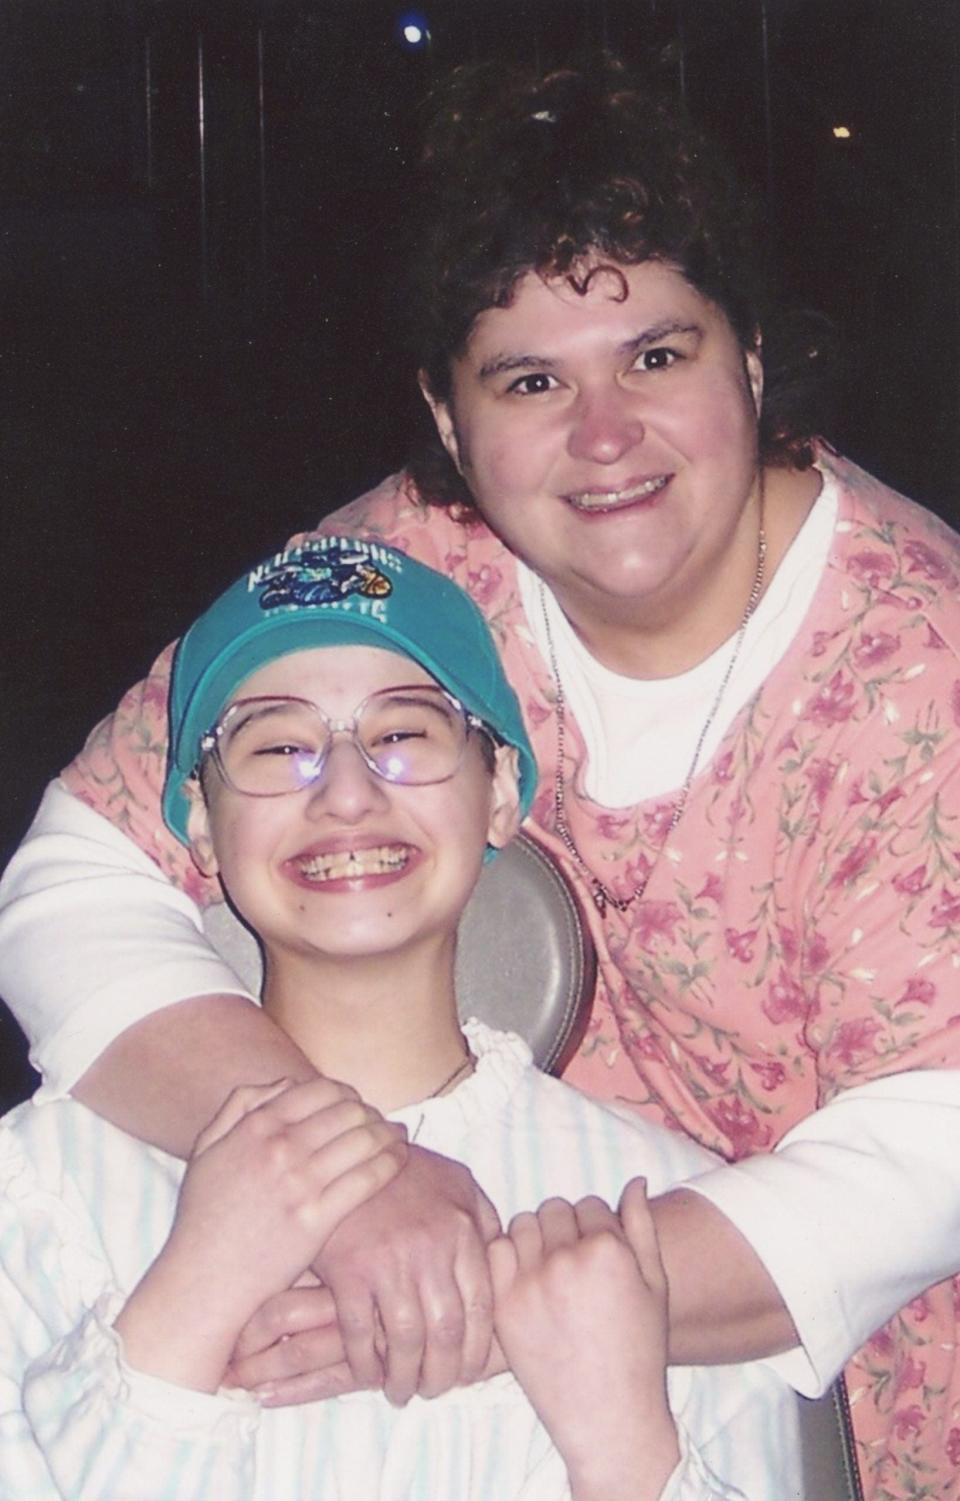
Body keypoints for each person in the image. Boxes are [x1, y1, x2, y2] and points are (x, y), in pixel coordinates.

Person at [2, 52, 960, 1500]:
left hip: (781, 1358)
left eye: (656, 353)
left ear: (752, 358)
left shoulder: (916, 661)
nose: (602, 435)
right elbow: (79, 871)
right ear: (450, 426)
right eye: (528, 379)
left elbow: (932, 1146)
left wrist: (493, 1288)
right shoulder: (412, 575)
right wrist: (348, 1175)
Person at [0, 535, 799, 1500]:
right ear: (201, 825)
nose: (344, 793)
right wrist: (187, 1300)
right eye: (279, 746)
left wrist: (625, 1447)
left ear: (500, 792)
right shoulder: (43, 1182)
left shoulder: (657, 1208)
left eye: (403, 735)